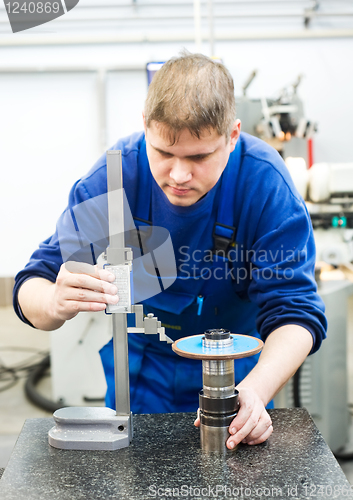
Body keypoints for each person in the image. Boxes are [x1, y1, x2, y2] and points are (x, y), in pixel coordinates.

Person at [13, 52, 327, 450]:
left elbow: (296, 313)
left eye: (198, 157)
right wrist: (55, 301)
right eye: (163, 153)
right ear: (145, 126)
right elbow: (32, 285)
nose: (179, 176)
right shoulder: (116, 178)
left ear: (232, 136)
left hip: (235, 369)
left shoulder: (264, 184)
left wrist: (256, 391)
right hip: (142, 372)